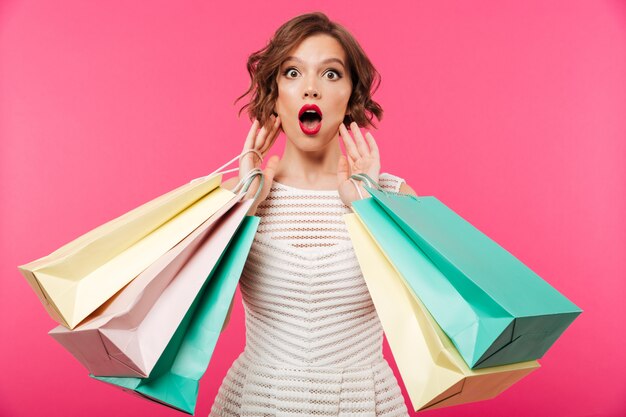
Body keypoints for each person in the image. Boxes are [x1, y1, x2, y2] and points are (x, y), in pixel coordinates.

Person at [212, 12, 416, 417]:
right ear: (273, 94)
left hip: (366, 403)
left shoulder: (393, 198)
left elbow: (431, 319)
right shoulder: (235, 197)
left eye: (331, 74)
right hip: (257, 402)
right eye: (292, 72)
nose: (310, 88)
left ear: (352, 94)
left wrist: (371, 207)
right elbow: (200, 325)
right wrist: (243, 207)